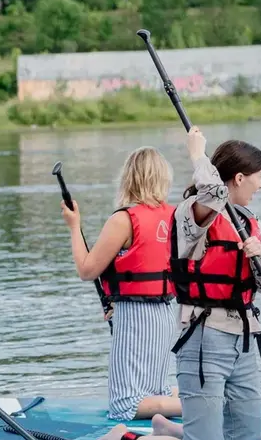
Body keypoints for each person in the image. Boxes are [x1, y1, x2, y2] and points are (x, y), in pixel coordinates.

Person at [93, 126, 261, 440]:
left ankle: (170, 427)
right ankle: (125, 439)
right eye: (260, 177)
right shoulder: (193, 215)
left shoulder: (250, 221)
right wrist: (198, 154)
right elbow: (212, 191)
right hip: (205, 340)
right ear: (239, 178)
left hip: (243, 339)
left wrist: (259, 256)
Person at [60, 147, 182, 421]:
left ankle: (203, 405)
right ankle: (200, 399)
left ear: (129, 177)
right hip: (164, 314)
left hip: (137, 316)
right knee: (154, 387)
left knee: (125, 404)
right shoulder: (174, 216)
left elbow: (87, 269)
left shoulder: (124, 219)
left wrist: (73, 226)